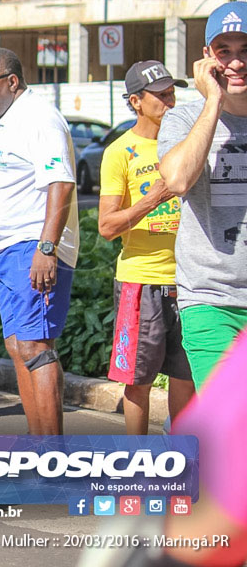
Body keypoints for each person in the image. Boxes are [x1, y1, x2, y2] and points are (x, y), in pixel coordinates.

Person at [0, 48, 79, 436]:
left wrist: (46, 248)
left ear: (12, 81)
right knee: (19, 346)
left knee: (36, 347)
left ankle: (53, 457)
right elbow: (1, 193)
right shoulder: (7, 124)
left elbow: (61, 183)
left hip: (32, 246)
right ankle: (39, 448)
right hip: (6, 250)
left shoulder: (39, 118)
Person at [98, 61, 196, 434]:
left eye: (173, 93)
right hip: (141, 282)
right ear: (136, 102)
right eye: (161, 95)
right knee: (138, 380)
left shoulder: (189, 145)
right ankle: (137, 460)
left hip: (189, 280)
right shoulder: (120, 152)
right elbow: (106, 226)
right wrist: (151, 199)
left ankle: (180, 458)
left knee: (185, 379)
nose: (170, 102)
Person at [158, 0, 247, 389]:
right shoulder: (183, 118)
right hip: (212, 299)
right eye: (224, 52)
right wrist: (213, 101)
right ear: (207, 59)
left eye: (245, 51)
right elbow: (177, 180)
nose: (236, 63)